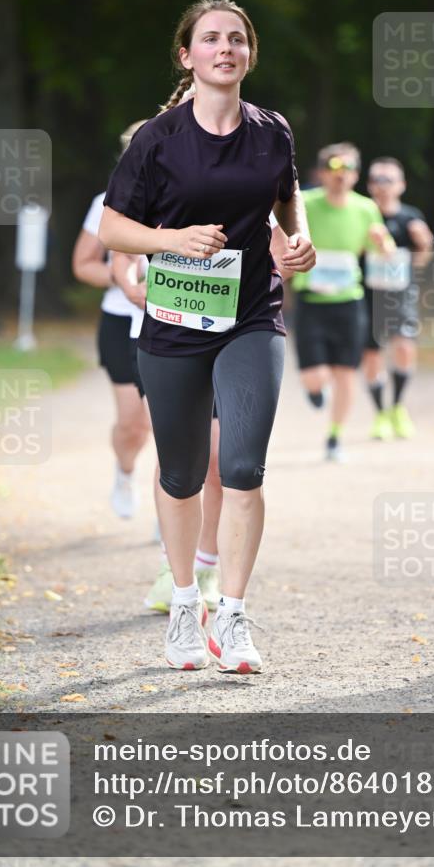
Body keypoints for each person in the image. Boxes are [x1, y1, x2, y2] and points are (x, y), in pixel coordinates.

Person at [99, 0, 315, 674]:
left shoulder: (271, 130)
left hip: (251, 315)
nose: (225, 49)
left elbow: (285, 198)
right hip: (173, 322)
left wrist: (296, 238)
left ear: (248, 54)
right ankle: (185, 610)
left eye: (237, 40)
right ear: (186, 55)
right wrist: (173, 240)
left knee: (243, 466)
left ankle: (235, 615)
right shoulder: (156, 140)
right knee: (184, 473)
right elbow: (112, 229)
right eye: (211, 39)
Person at [142, 216, 298, 615]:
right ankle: (175, 576)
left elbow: (283, 242)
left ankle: (211, 572)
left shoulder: (251, 177)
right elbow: (113, 249)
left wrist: (290, 257)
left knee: (224, 463)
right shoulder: (148, 177)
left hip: (238, 329)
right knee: (177, 465)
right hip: (170, 332)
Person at [291, 143, 394, 462]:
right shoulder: (304, 203)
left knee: (346, 373)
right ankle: (314, 389)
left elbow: (384, 253)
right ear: (322, 173)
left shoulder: (365, 208)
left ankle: (335, 437)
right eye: (334, 169)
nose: (341, 176)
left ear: (355, 175)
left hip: (349, 301)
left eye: (348, 170)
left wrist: (383, 244)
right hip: (310, 299)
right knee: (315, 376)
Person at [72, 123, 151, 519]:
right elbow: (83, 265)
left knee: (167, 424)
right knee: (133, 424)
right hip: (121, 321)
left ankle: (172, 510)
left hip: (171, 320)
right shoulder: (107, 202)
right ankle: (124, 471)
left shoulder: (187, 200)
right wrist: (123, 279)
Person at [363, 157, 434, 440]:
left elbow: (422, 261)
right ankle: (380, 413)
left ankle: (398, 407)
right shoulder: (363, 214)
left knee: (404, 347)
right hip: (367, 295)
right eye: (377, 180)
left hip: (402, 294)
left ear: (401, 185)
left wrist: (424, 243)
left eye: (388, 180)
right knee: (372, 354)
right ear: (369, 185)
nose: (382, 186)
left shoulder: (410, 216)